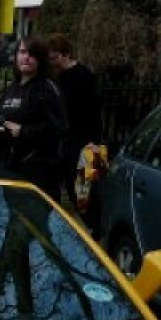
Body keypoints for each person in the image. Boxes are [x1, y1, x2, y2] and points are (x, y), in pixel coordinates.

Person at [0, 35, 68, 201]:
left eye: (32, 54)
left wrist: (23, 131)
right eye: (23, 52)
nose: (26, 57)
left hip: (39, 175)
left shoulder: (46, 89)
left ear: (40, 59)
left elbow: (58, 128)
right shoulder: (11, 89)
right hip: (11, 169)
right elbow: (0, 118)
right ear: (16, 56)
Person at [48, 34, 103, 218]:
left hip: (84, 139)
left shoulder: (84, 76)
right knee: (71, 186)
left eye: (55, 57)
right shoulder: (58, 79)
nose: (53, 62)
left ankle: (91, 224)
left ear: (66, 54)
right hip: (66, 139)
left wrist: (95, 140)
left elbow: (94, 110)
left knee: (84, 189)